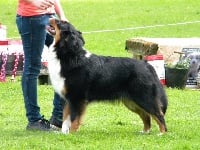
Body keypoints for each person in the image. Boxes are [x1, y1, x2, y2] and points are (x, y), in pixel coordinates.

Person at [16, 0, 68, 131]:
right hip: (31, 18)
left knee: (65, 60)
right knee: (32, 67)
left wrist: (61, 15)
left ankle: (58, 116)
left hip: (50, 17)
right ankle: (34, 120)